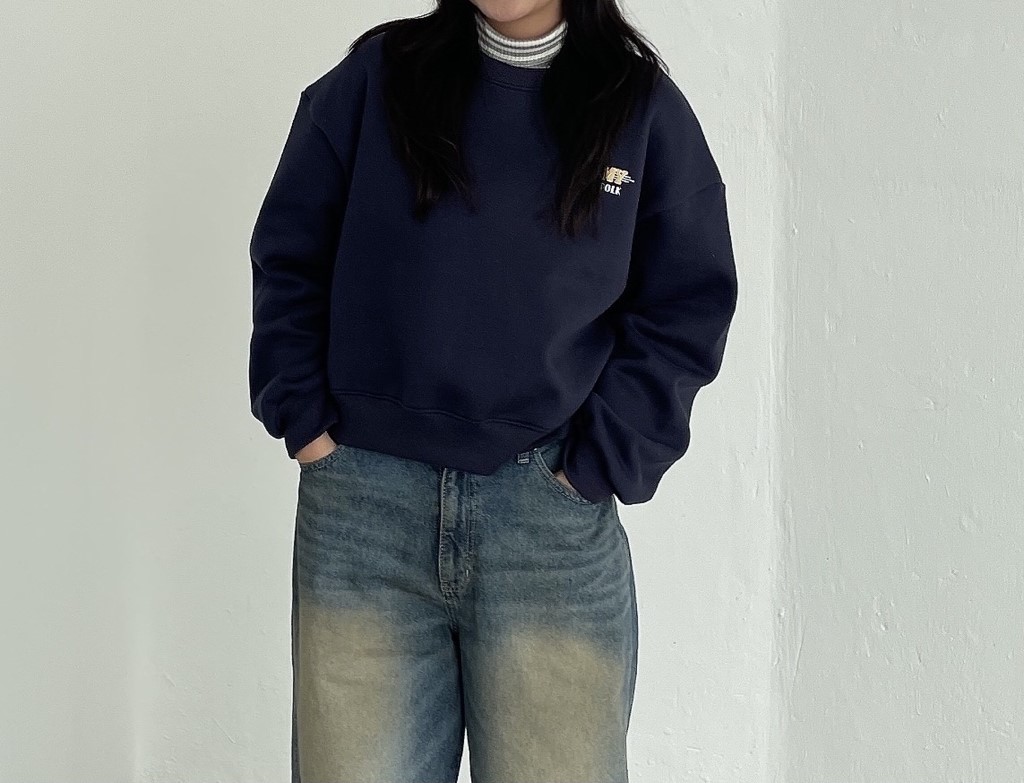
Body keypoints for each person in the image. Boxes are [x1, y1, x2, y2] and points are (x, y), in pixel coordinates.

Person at [247, 1, 738, 781]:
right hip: (362, 520)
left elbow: (687, 304)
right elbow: (289, 252)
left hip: (548, 532)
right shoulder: (377, 79)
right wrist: (305, 424)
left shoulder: (639, 110)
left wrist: (596, 466)